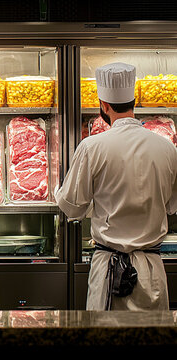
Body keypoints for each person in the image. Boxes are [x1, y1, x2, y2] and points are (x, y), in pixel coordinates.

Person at [56, 62, 177, 310]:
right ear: (134, 102)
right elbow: (172, 205)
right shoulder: (167, 148)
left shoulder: (92, 146)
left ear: (104, 105)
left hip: (108, 269)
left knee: (105, 339)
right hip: (151, 270)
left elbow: (71, 207)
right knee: (153, 340)